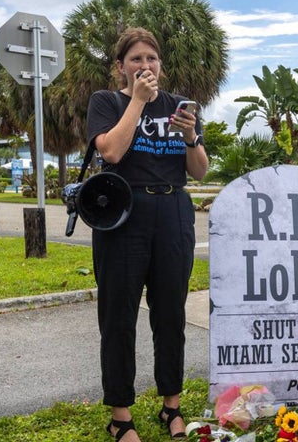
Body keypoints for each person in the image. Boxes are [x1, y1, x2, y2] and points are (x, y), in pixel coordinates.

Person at [87, 27, 209, 441]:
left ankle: (170, 406)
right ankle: (120, 415)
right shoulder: (108, 101)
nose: (145, 66)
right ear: (121, 66)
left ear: (161, 64)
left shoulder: (179, 107)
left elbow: (199, 171)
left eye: (151, 59)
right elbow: (112, 152)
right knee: (119, 315)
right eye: (136, 59)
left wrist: (191, 136)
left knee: (171, 314)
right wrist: (137, 103)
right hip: (124, 215)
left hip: (174, 212)